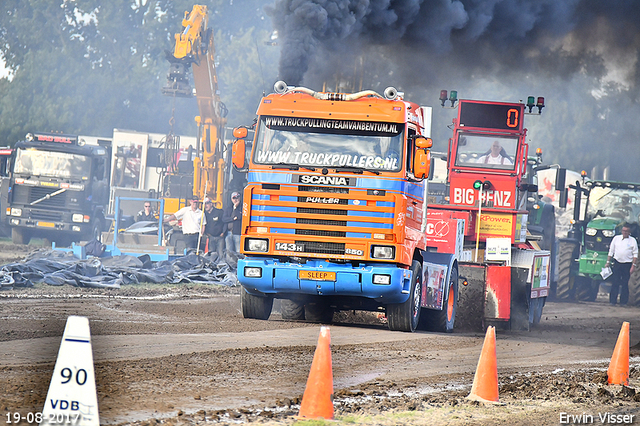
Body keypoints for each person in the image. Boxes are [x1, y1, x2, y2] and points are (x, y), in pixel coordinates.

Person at [605, 224, 638, 306]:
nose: (625, 232)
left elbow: (635, 254)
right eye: (624, 231)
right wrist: (608, 262)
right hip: (617, 263)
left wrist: (633, 265)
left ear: (629, 232)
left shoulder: (632, 241)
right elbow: (611, 251)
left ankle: (623, 302)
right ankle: (612, 301)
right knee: (615, 282)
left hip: (627, 264)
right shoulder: (616, 239)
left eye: (627, 231)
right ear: (621, 231)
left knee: (625, 283)